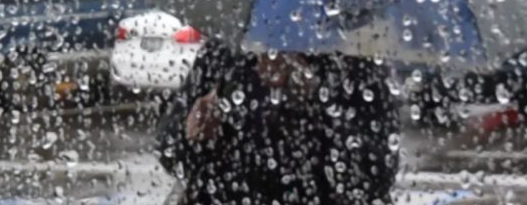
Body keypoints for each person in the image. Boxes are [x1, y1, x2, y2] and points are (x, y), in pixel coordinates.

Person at [158, 46, 399, 205]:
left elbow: (377, 173)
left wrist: (313, 101)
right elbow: (168, 149)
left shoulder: (355, 60)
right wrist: (189, 130)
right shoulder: (226, 53)